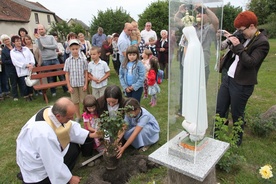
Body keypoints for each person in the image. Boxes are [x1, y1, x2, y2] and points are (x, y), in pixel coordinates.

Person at [216, 11, 270, 146]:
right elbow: (235, 53)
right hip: (229, 78)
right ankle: (216, 136)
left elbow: (250, 62)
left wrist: (238, 46)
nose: (240, 32)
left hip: (242, 83)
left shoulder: (262, 43)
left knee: (237, 114)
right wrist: (232, 40)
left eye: (241, 30)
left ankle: (236, 142)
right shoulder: (243, 36)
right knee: (220, 109)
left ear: (252, 26)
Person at [16, 97, 98, 184]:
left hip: (43, 153)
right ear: (58, 116)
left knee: (74, 148)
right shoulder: (43, 134)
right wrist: (69, 178)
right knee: (72, 152)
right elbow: (52, 161)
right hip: (38, 170)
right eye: (69, 118)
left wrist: (89, 135)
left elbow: (70, 126)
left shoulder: (51, 111)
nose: (72, 119)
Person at [180, 11, 208, 142]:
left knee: (194, 99)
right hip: (190, 80)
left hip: (194, 83)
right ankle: (192, 123)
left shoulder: (194, 47)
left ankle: (196, 126)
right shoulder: (193, 45)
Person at [174, 4, 219, 82]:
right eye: (198, 13)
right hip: (188, 64)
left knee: (200, 89)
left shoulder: (210, 29)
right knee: (185, 89)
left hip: (202, 65)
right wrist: (180, 12)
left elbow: (216, 22)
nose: (199, 14)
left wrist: (205, 9)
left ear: (208, 17)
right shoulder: (190, 26)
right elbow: (177, 20)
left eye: (202, 13)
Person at [35, 24, 66, 96]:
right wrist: (39, 40)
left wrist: (45, 46)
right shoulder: (37, 40)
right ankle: (53, 92)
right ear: (38, 31)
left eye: (42, 29)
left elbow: (55, 46)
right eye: (39, 30)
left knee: (61, 75)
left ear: (44, 29)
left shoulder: (51, 37)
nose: (41, 31)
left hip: (55, 58)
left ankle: (66, 89)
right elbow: (41, 48)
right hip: (46, 60)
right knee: (50, 77)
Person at [64, 39, 88, 123]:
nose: (75, 51)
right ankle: (78, 116)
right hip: (73, 84)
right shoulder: (68, 61)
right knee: (75, 101)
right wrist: (69, 86)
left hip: (82, 83)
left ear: (79, 48)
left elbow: (86, 72)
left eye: (76, 49)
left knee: (84, 100)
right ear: (70, 49)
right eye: (73, 49)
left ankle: (86, 114)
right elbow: (67, 74)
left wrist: (86, 84)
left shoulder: (83, 60)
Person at [10, 35, 36, 101]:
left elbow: (31, 56)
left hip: (29, 69)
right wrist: (26, 65)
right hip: (21, 71)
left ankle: (31, 95)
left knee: (30, 84)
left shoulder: (26, 49)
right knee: (23, 85)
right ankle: (26, 96)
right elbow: (15, 62)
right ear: (13, 43)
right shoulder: (12, 52)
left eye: (19, 40)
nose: (19, 42)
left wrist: (31, 64)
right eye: (17, 41)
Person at [1, 34, 20, 101]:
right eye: (5, 40)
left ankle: (23, 94)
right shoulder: (4, 50)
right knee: (13, 82)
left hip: (18, 67)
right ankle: (15, 96)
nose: (7, 41)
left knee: (21, 81)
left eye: (7, 39)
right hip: (11, 68)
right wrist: (13, 61)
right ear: (3, 42)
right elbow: (4, 61)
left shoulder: (15, 46)